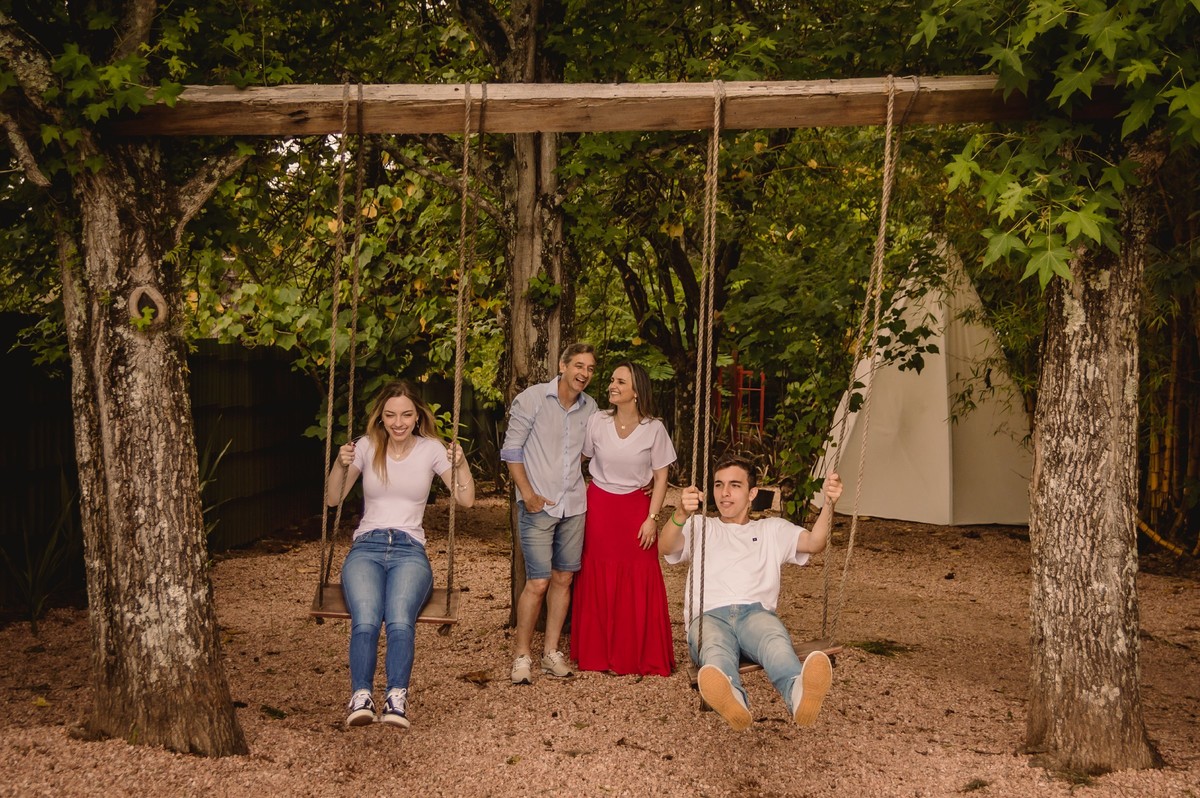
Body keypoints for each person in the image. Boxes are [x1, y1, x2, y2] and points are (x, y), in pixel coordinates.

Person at [326, 380, 475, 728]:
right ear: (381, 417)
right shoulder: (365, 446)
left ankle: (396, 698)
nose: (398, 422)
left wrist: (462, 463)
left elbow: (466, 499)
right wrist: (339, 462)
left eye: (406, 414)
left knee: (398, 618)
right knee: (365, 618)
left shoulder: (432, 450)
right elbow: (334, 499)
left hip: (409, 550)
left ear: (417, 416)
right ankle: (361, 697)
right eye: (391, 415)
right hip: (367, 547)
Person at [659, 454, 843, 730]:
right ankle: (732, 699)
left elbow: (815, 542)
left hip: (754, 614)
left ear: (752, 493)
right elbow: (665, 546)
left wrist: (829, 503)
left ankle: (800, 693)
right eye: (719, 485)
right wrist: (680, 514)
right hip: (709, 618)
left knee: (775, 643)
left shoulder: (772, 530)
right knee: (715, 650)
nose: (724, 493)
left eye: (735, 485)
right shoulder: (700, 526)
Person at [500, 343, 598, 684]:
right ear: (562, 365)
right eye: (579, 365)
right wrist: (526, 493)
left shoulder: (591, 407)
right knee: (538, 582)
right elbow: (511, 449)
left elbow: (595, 452)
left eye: (590, 369)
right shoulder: (532, 399)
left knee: (563, 578)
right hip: (538, 505)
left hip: (574, 505)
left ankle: (550, 652)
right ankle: (522, 654)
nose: (584, 373)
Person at [570, 361, 676, 675]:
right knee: (597, 576)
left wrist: (652, 518)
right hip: (599, 507)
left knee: (639, 573)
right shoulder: (597, 422)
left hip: (636, 510)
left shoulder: (653, 428)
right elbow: (578, 459)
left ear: (637, 392)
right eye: (612, 380)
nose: (612, 386)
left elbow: (661, 476)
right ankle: (598, 654)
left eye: (620, 382)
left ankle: (636, 655)